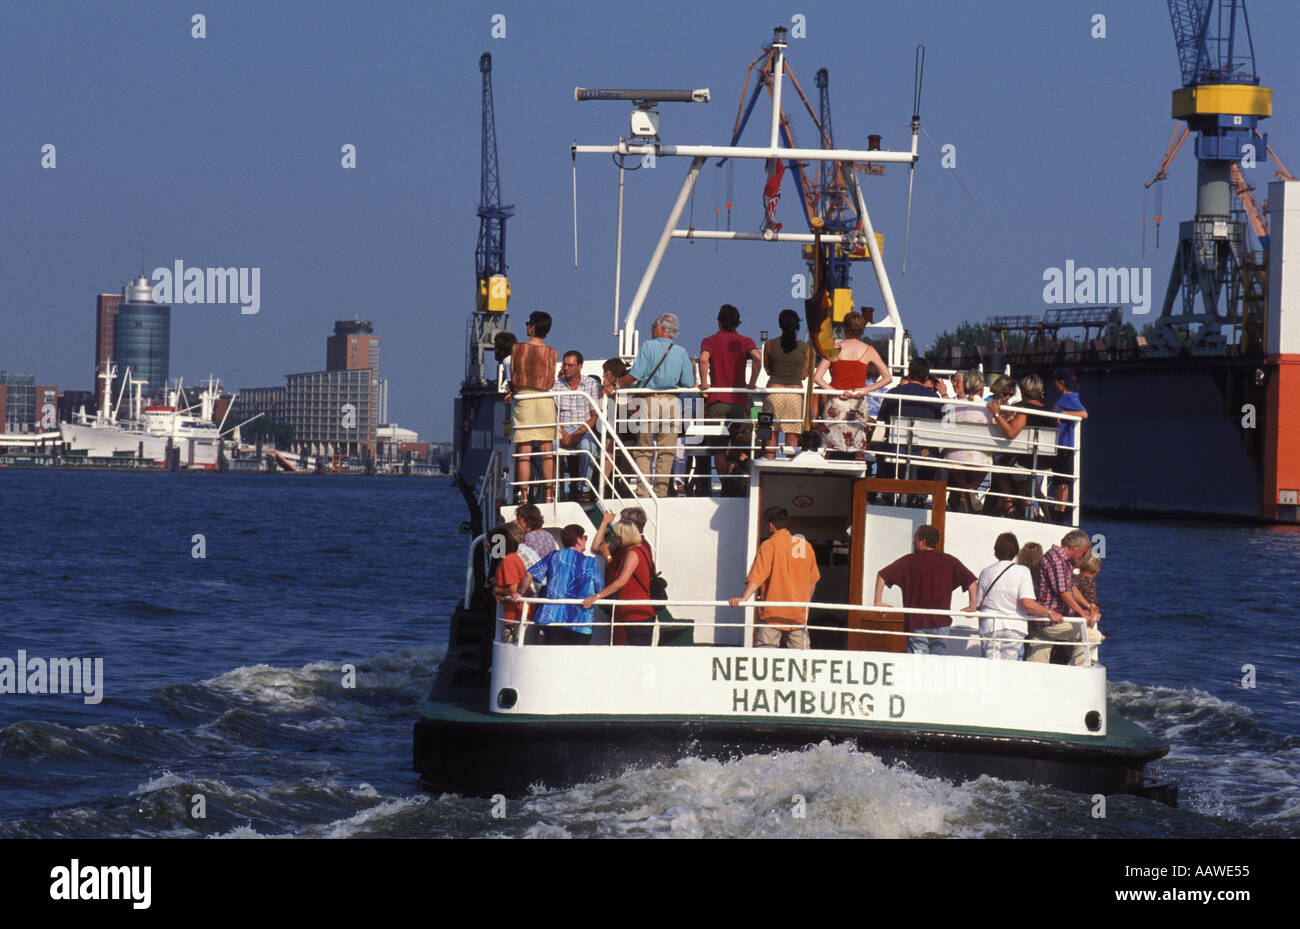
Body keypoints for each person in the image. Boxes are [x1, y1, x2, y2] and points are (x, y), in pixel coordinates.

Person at [618, 313, 696, 498]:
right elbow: (688, 381)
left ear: (662, 328)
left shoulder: (648, 346)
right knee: (667, 450)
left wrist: (619, 382)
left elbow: (636, 375)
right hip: (672, 401)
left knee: (644, 449)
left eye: (653, 326)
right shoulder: (681, 352)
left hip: (649, 400)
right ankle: (660, 492)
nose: (651, 329)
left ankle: (643, 492)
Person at [874, 524, 977, 654]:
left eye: (915, 538)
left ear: (923, 542)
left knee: (918, 667)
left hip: (916, 624)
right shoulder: (950, 561)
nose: (913, 541)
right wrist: (972, 606)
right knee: (936, 666)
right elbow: (972, 582)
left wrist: (878, 602)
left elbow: (882, 575)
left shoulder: (908, 561)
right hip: (941, 623)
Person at [729, 506, 821, 649]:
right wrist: (805, 606)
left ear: (771, 525)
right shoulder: (805, 546)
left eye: (765, 524)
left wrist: (743, 599)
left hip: (773, 615)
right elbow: (812, 582)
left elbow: (757, 577)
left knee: (765, 661)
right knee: (802, 664)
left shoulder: (769, 545)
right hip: (798, 616)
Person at [811, 311, 892, 456]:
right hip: (857, 402)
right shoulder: (869, 350)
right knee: (858, 447)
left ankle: (825, 475)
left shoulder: (834, 348)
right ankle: (859, 477)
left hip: (835, 402)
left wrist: (836, 391)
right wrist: (864, 389)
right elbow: (887, 378)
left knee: (829, 446)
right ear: (862, 330)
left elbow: (817, 377)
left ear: (844, 328)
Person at [699, 304, 762, 486]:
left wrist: (704, 383)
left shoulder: (710, 341)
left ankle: (725, 484)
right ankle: (736, 479)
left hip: (717, 399)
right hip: (738, 400)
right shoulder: (745, 341)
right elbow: (758, 358)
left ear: (718, 322)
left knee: (719, 448)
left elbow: (703, 359)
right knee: (738, 443)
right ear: (737, 323)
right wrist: (752, 382)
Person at [975, 532, 1062, 660]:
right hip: (1015, 626)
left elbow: (979, 604)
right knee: (1010, 668)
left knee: (990, 667)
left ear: (996, 551)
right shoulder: (1022, 571)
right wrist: (1050, 613)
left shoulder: (985, 572)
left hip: (991, 625)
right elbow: (1027, 603)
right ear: (1016, 551)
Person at [1026, 529, 1098, 665]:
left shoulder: (1061, 561)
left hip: (1044, 621)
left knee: (1036, 664)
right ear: (1075, 548)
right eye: (1084, 552)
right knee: (1093, 636)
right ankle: (1076, 672)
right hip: (1049, 621)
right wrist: (1083, 613)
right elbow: (1063, 592)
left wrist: (1088, 607)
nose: (1083, 557)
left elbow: (1072, 588)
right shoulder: (1056, 561)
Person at [508, 311, 558, 502]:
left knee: (524, 451)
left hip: (525, 399)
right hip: (545, 399)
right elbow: (551, 381)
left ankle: (524, 495)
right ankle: (548, 494)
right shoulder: (552, 353)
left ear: (533, 327)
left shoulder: (518, 348)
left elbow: (514, 377)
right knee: (547, 449)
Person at [583, 513, 656, 645]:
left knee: (634, 653)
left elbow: (621, 581)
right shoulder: (635, 549)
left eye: (617, 537)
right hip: (632, 611)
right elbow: (597, 546)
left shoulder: (633, 553)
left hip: (636, 612)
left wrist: (597, 596)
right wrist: (604, 522)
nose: (615, 539)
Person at [525, 524, 602, 644]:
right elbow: (600, 588)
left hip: (553, 618)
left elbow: (530, 575)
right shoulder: (591, 562)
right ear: (578, 540)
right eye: (584, 538)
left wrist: (519, 592)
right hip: (580, 621)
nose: (585, 541)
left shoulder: (553, 556)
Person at [941, 369, 994, 513]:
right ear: (981, 388)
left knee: (951, 459)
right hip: (980, 461)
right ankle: (971, 489)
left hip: (954, 458)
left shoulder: (951, 404)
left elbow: (945, 431)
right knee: (987, 459)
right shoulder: (987, 408)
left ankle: (964, 490)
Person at [761, 309, 812, 457]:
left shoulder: (770, 345)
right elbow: (804, 374)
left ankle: (769, 463)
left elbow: (767, 369)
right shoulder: (805, 348)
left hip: (773, 393)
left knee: (769, 434)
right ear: (797, 326)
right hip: (794, 395)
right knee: (792, 436)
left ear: (780, 325)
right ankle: (790, 470)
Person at [554, 351, 602, 502]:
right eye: (564, 365)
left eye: (570, 365)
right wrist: (562, 433)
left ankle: (583, 489)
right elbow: (552, 414)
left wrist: (580, 433)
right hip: (561, 428)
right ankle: (553, 490)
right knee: (549, 447)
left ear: (580, 367)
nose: (566, 368)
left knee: (589, 447)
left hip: (584, 428)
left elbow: (595, 415)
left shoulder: (592, 384)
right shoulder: (556, 386)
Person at [1050, 367, 1087, 521]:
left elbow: (1084, 414)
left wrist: (1065, 414)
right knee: (1059, 481)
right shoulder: (1066, 398)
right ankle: (1057, 510)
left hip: (1066, 445)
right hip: (1061, 444)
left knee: (1063, 481)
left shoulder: (1070, 398)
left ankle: (1060, 512)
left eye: (1056, 380)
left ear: (1061, 382)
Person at [493, 542, 540, 643]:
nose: (487, 545)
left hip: (516, 614)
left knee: (516, 641)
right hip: (522, 613)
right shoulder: (515, 557)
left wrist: (496, 590)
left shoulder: (508, 560)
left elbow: (512, 589)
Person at [1074, 551, 1106, 663]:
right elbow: (1092, 605)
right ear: (1097, 571)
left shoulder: (1073, 578)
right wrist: (1096, 612)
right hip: (1082, 622)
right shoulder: (1090, 583)